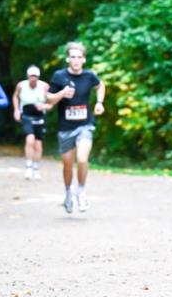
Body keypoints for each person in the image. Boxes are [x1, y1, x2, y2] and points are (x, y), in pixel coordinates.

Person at [45, 42, 105, 214]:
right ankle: (68, 192)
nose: (76, 60)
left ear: (84, 59)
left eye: (79, 57)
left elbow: (101, 85)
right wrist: (61, 94)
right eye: (73, 57)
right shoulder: (59, 76)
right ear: (68, 59)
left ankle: (81, 192)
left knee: (83, 158)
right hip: (65, 128)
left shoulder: (89, 76)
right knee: (67, 165)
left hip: (85, 125)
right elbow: (49, 99)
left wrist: (100, 103)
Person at [13, 65, 49, 180]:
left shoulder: (44, 86)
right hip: (27, 115)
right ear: (28, 76)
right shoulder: (21, 85)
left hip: (39, 116)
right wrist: (17, 110)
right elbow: (15, 97)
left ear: (38, 77)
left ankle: (36, 168)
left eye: (35, 76)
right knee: (30, 140)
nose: (33, 78)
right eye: (31, 76)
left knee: (38, 144)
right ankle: (28, 166)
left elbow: (51, 101)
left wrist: (44, 105)